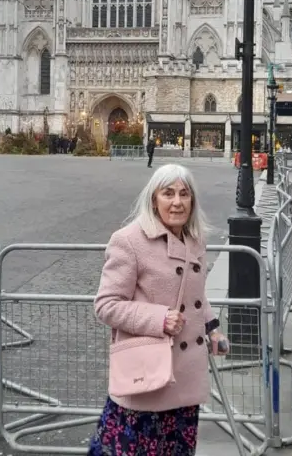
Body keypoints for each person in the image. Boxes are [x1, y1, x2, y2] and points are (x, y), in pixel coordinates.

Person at [89, 164, 229, 456]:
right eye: (168, 193)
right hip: (147, 377)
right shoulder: (129, 241)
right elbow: (106, 305)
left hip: (184, 377)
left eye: (184, 194)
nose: (177, 202)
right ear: (154, 199)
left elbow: (196, 296)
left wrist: (212, 328)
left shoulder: (195, 239)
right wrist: (158, 318)